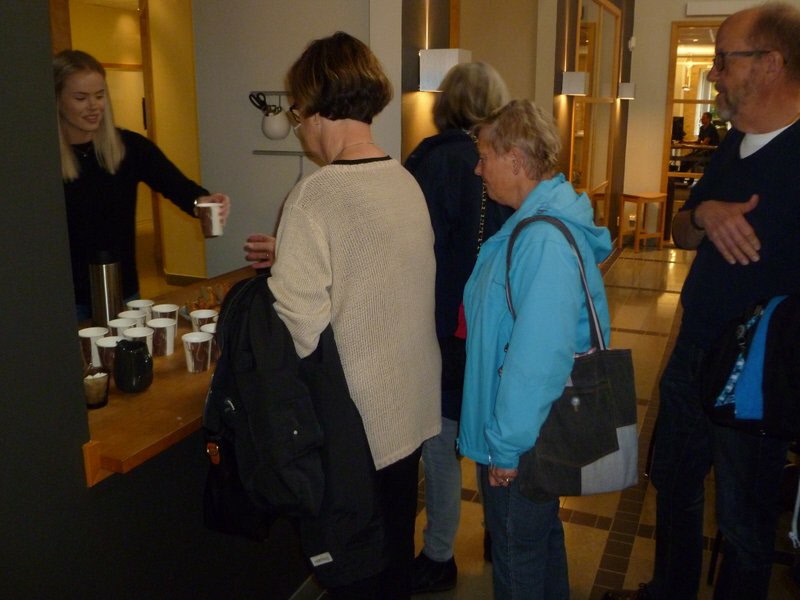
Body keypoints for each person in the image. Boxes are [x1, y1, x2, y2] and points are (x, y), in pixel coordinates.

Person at [605, 4, 800, 599]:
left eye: (722, 60)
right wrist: (705, 213)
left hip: (760, 369)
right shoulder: (734, 141)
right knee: (673, 480)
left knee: (743, 520)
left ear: (770, 64)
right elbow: (680, 232)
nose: (713, 74)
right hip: (694, 346)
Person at [267, 32, 441, 599]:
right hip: (410, 405)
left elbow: (298, 328)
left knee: (357, 571)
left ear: (317, 108)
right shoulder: (404, 181)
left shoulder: (315, 196)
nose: (300, 128)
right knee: (394, 552)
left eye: (298, 113)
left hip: (357, 425)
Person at [456, 99, 612, 599]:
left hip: (523, 437)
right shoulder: (530, 225)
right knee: (539, 543)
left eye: (484, 157)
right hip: (525, 429)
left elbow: (537, 358)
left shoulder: (540, 240)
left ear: (516, 160)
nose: (478, 169)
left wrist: (507, 447)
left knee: (518, 560)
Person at [403, 62, 511, 595]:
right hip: (493, 324)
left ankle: (439, 552)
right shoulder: (505, 160)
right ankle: (497, 533)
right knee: (491, 431)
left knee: (441, 439)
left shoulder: (431, 161)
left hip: (442, 323)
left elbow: (412, 250)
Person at [54, 49, 230, 321]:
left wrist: (204, 203)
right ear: (56, 99)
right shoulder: (40, 159)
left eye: (99, 95)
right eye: (81, 98)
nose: (93, 106)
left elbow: (180, 189)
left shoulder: (130, 147)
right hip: (65, 298)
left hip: (123, 291)